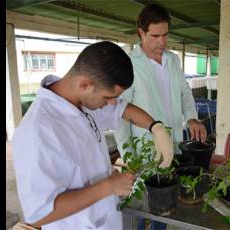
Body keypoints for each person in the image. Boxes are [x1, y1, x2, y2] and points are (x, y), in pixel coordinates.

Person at [12, 41, 174, 230]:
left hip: (107, 219)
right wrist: (108, 187)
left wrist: (156, 127)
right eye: (107, 97)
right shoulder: (38, 131)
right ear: (85, 84)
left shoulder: (82, 100)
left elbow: (123, 109)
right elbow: (39, 214)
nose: (111, 103)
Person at [114, 3, 207, 230]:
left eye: (166, 35)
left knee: (164, 203)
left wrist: (192, 118)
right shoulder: (129, 65)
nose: (162, 42)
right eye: (155, 36)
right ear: (141, 32)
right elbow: (120, 113)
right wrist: (128, 158)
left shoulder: (173, 60)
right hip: (145, 149)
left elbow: (184, 92)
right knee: (140, 205)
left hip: (173, 142)